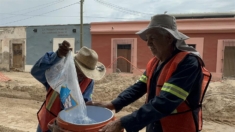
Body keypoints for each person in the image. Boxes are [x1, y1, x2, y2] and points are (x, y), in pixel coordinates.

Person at [87, 14, 211, 132]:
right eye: (147, 39)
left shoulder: (188, 63)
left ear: (168, 38)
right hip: (155, 125)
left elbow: (166, 102)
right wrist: (113, 104)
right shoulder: (155, 62)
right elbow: (139, 87)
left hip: (178, 126)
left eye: (153, 38)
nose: (148, 43)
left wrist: (123, 122)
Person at [31, 41, 106, 132]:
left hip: (68, 126)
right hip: (47, 122)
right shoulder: (57, 73)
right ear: (73, 64)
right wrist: (57, 56)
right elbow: (36, 71)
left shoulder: (88, 82)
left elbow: (82, 107)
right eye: (79, 70)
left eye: (86, 73)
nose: (82, 74)